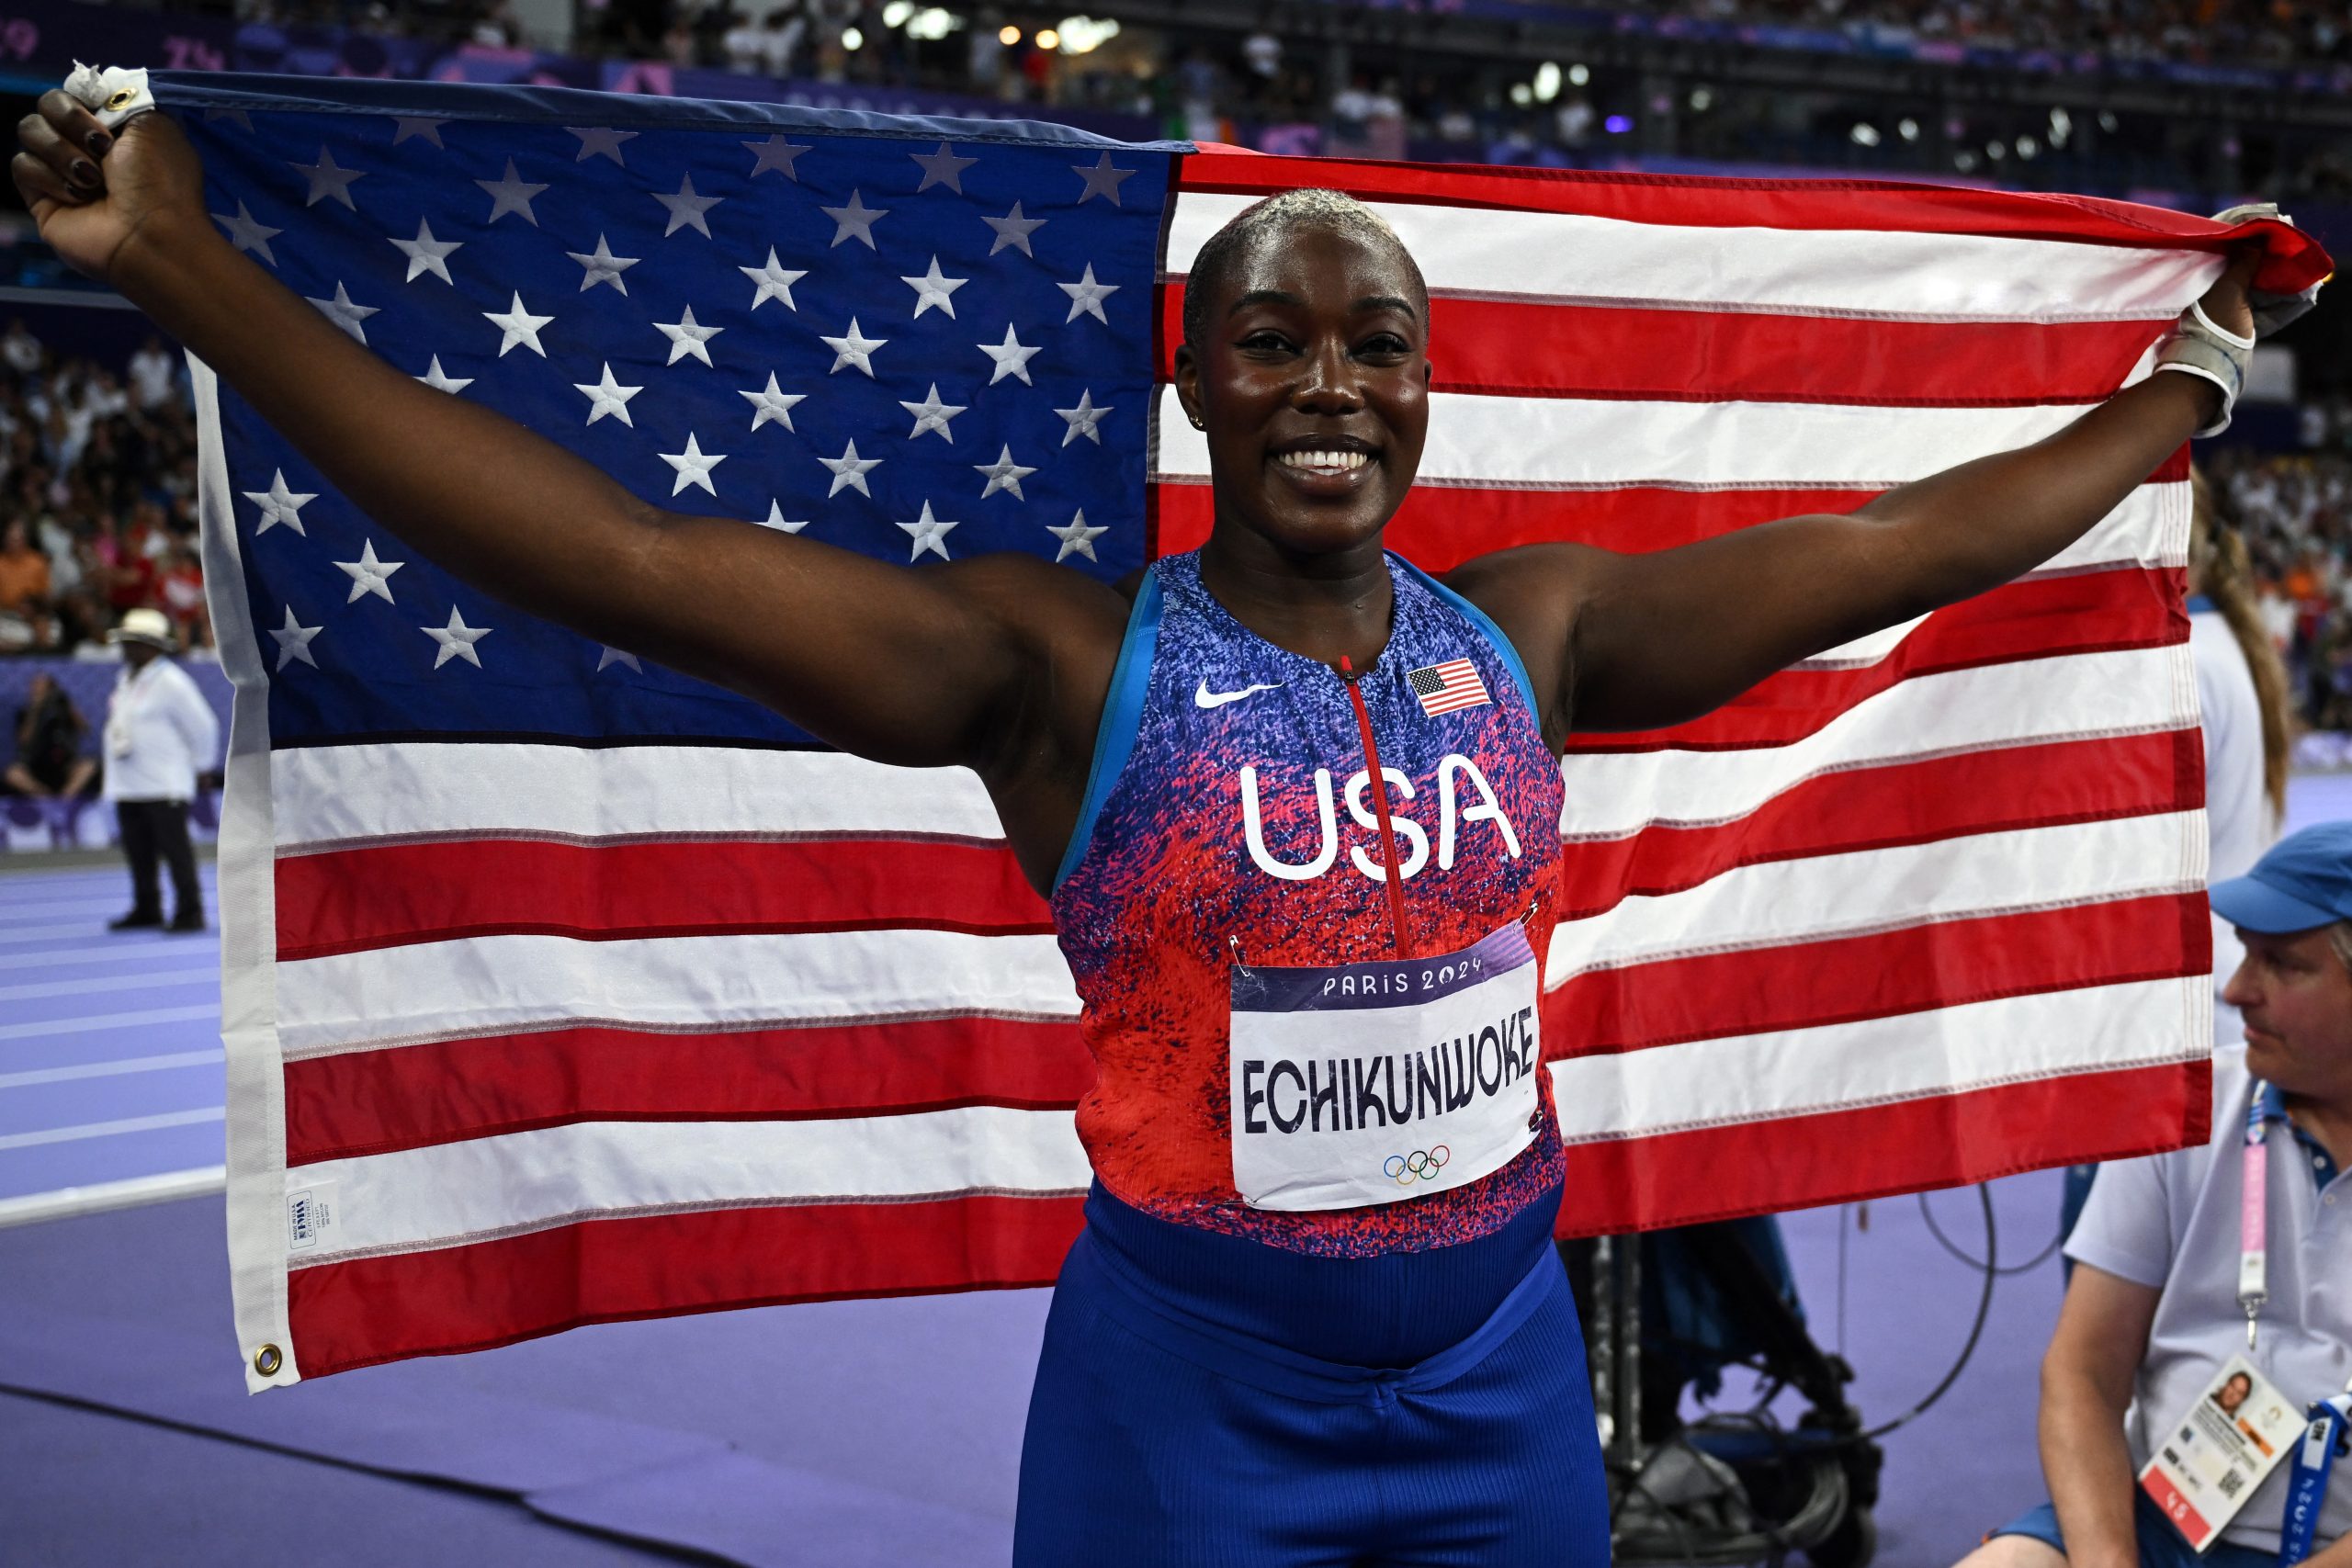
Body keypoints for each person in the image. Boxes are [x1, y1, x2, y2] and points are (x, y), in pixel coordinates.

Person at [16, 92, 2289, 1564]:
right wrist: (188, 274)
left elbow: (1908, 533)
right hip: (1190, 1398)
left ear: (1422, 382)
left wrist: (2178, 385)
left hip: (1499, 1370)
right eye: (1273, 339)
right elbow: (618, 558)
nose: (1326, 378)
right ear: (1195, 383)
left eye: (1371, 341)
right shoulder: (1062, 664)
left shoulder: (1541, 628)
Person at [1956, 822, 2352, 1568]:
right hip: (2156, 1520)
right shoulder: (2188, 1107)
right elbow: (2082, 1372)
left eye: (2283, 964)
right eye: (2242, 950)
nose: (2236, 990)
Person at [99, 605, 219, 932]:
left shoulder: (172, 681)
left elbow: (204, 726)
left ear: (152, 646)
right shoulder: (125, 679)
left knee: (175, 851)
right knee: (138, 853)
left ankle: (190, 911)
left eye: (133, 642)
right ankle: (147, 907)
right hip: (128, 782)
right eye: (125, 641)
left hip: (164, 782)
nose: (126, 648)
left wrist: (202, 766)